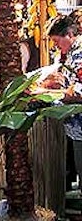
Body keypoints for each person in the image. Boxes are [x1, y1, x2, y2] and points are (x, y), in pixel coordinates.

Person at [47, 16, 82, 190]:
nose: (56, 45)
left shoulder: (79, 53)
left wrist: (56, 94)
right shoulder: (71, 54)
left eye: (56, 41)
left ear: (69, 34)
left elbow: (78, 91)